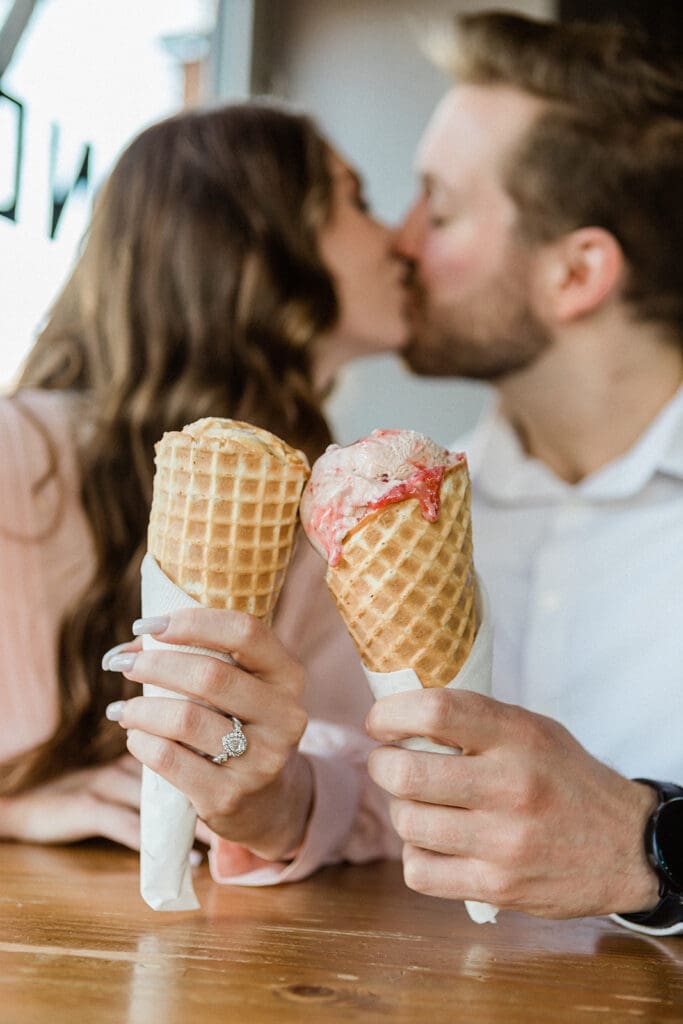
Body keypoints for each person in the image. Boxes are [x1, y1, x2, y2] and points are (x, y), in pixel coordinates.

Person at [0, 100, 405, 880]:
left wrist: (278, 803)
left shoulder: (326, 506)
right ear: (255, 242)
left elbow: (373, 784)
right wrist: (13, 806)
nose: (397, 241)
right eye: (356, 200)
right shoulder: (19, 451)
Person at [365, 11, 683, 933]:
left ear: (576, 272)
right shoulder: (399, 519)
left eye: (441, 207)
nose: (400, 240)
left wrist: (646, 842)